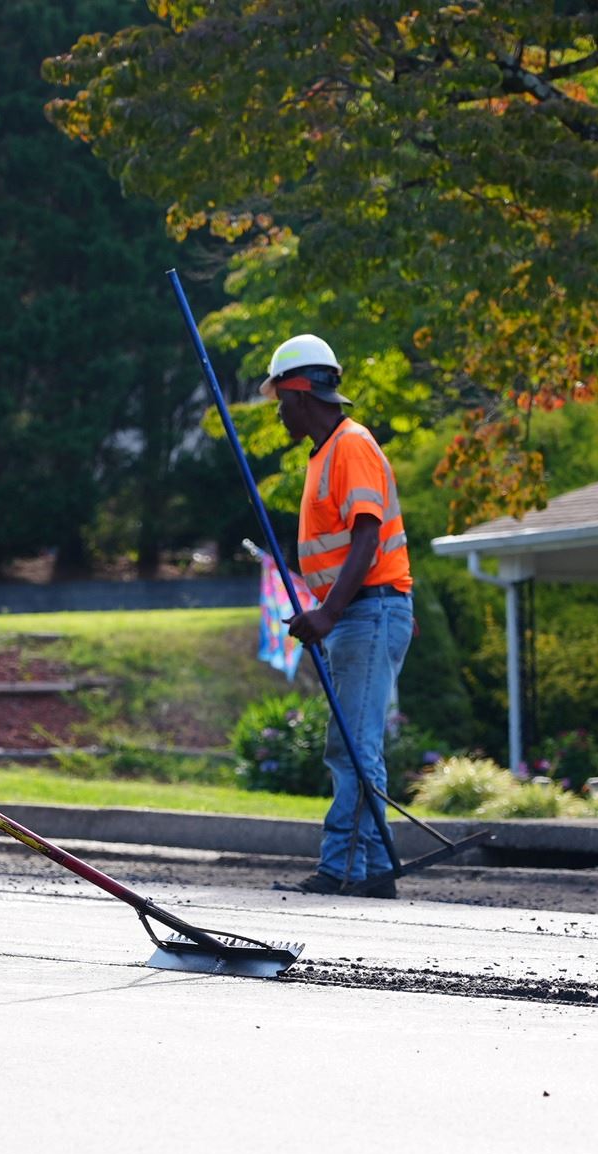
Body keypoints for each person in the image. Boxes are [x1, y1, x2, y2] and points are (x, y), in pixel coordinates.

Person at [265, 333, 415, 898]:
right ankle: (372, 870)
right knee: (352, 744)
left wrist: (327, 613)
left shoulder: (350, 446)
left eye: (280, 399)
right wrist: (328, 611)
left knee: (353, 746)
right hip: (361, 612)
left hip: (366, 612)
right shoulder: (326, 452)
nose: (278, 411)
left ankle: (342, 867)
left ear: (300, 393)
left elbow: (367, 538)